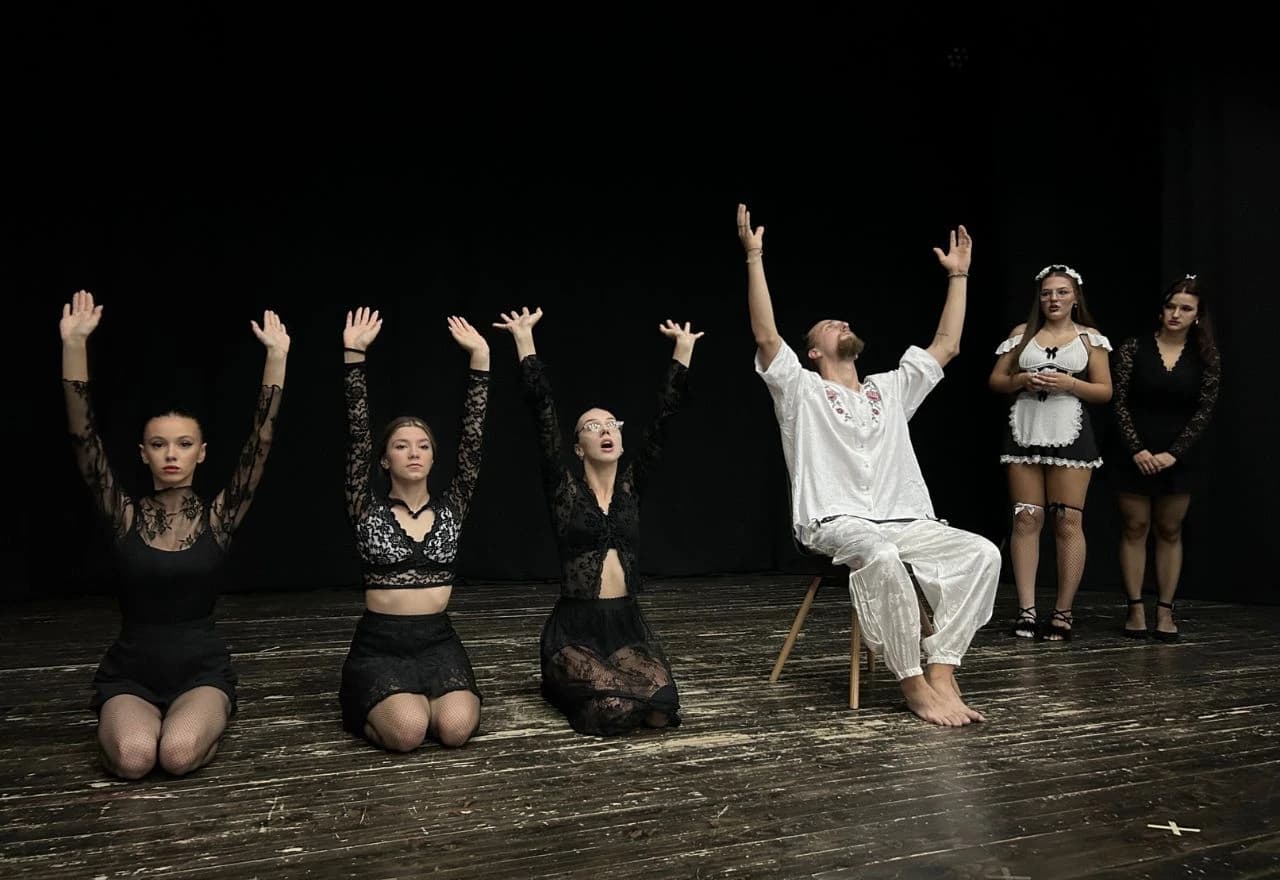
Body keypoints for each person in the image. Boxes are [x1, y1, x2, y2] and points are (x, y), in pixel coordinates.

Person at [739, 203, 998, 728]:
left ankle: (942, 667)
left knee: (982, 553)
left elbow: (947, 345)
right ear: (812, 353)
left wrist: (959, 276)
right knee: (879, 554)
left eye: (844, 321)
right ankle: (912, 683)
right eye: (827, 325)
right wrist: (754, 256)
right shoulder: (801, 391)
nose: (841, 322)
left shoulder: (890, 389)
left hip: (906, 518)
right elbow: (767, 337)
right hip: (836, 521)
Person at [60, 289, 288, 778]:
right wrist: (74, 344)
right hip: (131, 674)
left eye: (183, 444)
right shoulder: (123, 514)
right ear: (143, 453)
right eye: (158, 444)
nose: (170, 454)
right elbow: (84, 439)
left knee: (178, 754)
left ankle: (202, 724)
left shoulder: (219, 517)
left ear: (200, 453)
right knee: (135, 759)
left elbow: (261, 443)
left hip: (200, 672)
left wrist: (277, 357)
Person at [492, 306, 699, 736]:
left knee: (661, 708)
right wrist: (524, 340)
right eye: (592, 426)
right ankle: (569, 684)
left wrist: (683, 350)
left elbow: (663, 422)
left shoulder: (630, 489)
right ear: (579, 446)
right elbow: (543, 416)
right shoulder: (564, 492)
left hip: (625, 625)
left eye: (610, 424)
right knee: (614, 711)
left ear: (620, 440)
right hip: (576, 629)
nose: (604, 430)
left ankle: (599, 688)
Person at [337, 307, 490, 751]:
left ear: (433, 457)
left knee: (456, 730)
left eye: (423, 445)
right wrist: (354, 355)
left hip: (438, 640)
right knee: (408, 732)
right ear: (385, 460)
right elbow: (358, 433)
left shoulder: (453, 505)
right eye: (401, 446)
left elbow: (473, 441)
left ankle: (417, 703)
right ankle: (372, 708)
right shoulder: (365, 506)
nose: (414, 452)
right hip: (382, 644)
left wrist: (480, 357)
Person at [989, 265, 1113, 642]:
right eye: (1046, 293)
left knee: (1067, 520)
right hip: (1025, 429)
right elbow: (996, 380)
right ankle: (1026, 609)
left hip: (1069, 431)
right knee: (1026, 518)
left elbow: (1104, 391)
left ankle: (1063, 611)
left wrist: (1070, 383)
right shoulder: (1021, 334)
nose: (1053, 299)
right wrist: (1021, 380)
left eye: (1061, 292)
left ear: (1075, 297)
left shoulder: (1090, 339)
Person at [1111, 276, 1220, 640]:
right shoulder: (1133, 348)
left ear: (1197, 315)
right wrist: (1137, 449)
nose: (1176, 314)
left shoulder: (1205, 355)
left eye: (1185, 309)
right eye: (1171, 306)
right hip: (1134, 450)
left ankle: (1165, 609)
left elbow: (1205, 409)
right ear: (1161, 310)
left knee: (1170, 529)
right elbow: (1119, 401)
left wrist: (1174, 453)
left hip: (1179, 453)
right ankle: (1135, 607)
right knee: (1135, 526)